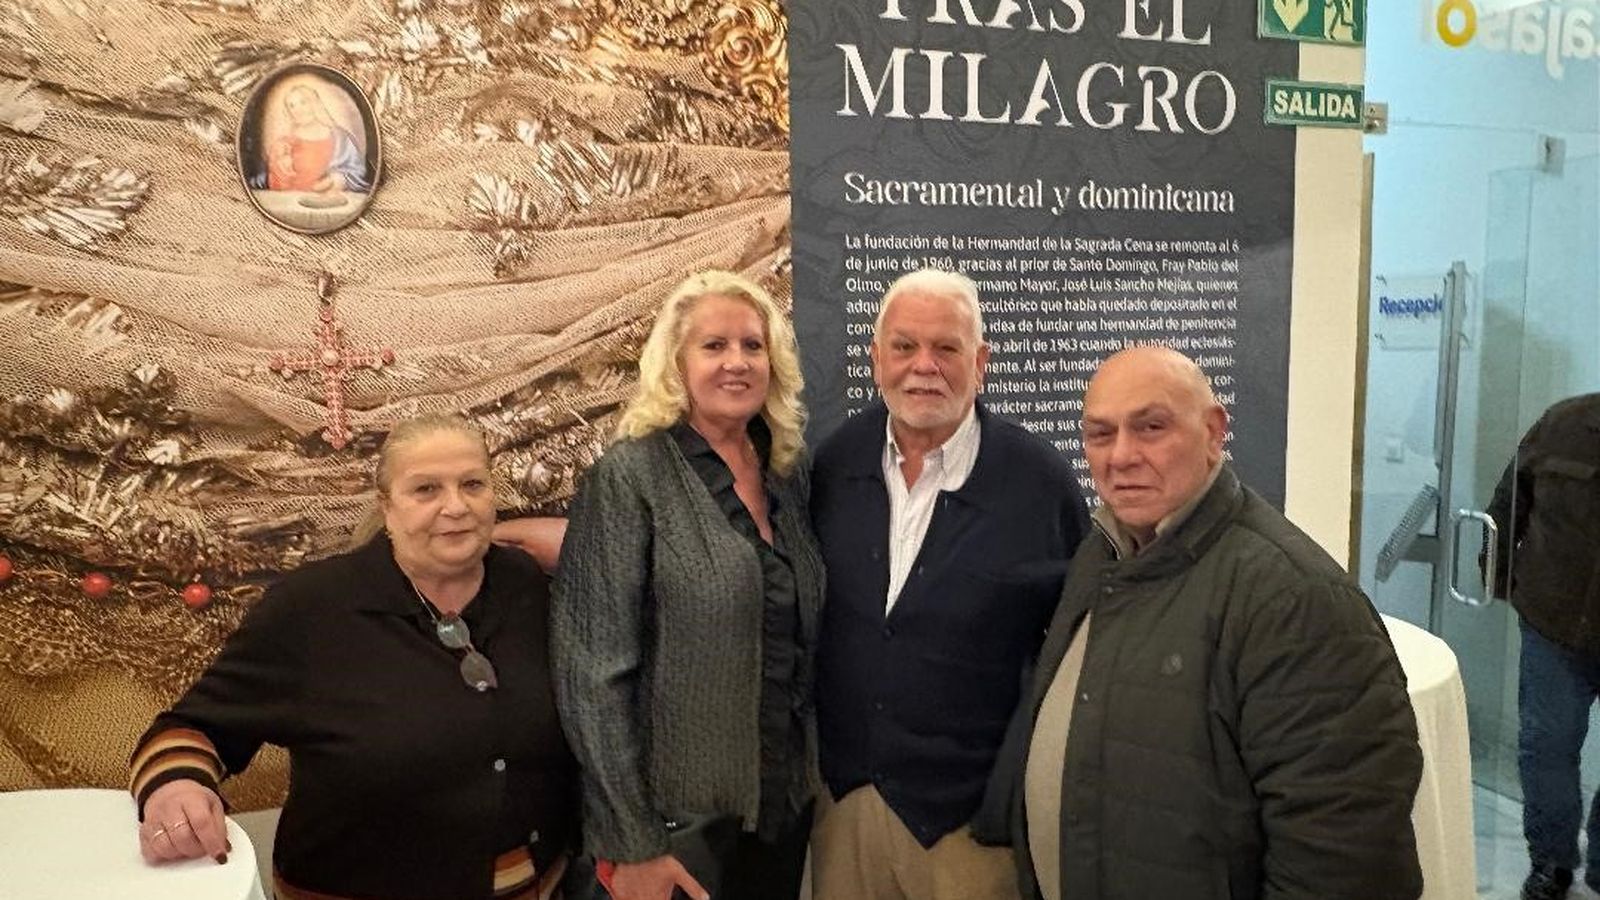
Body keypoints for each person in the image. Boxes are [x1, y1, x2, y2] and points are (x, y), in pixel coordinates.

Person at [974, 345, 1424, 899]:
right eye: (1100, 433)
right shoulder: (1104, 551)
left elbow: (1346, 859)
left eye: (1151, 427)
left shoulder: (1295, 600)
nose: (1121, 456)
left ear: (1213, 431)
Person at [128, 415, 577, 900]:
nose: (456, 506)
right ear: (387, 506)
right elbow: (195, 727)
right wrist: (176, 788)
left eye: (473, 484)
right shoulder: (312, 609)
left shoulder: (529, 586)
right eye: (426, 490)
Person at [809, 268, 1090, 900]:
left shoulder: (1038, 485)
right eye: (905, 346)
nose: (923, 366)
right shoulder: (834, 463)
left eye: (947, 348)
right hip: (847, 806)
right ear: (876, 358)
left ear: (981, 362)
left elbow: (1075, 652)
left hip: (970, 829)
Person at [552, 270, 824, 900]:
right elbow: (591, 675)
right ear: (675, 362)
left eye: (753, 346)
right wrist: (633, 841)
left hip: (777, 813)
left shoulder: (787, 473)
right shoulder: (630, 476)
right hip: (673, 833)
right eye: (714, 346)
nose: (737, 362)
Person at [1483, 392, 1600, 900]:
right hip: (1555, 624)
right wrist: (1500, 577)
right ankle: (1551, 862)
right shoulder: (1564, 423)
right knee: (1547, 747)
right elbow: (1510, 500)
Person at [256, 83, 371, 193]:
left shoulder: (341, 139)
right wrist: (278, 170)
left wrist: (337, 179)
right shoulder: (283, 145)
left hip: (331, 204)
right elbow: (266, 182)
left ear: (314, 103)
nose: (297, 110)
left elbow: (358, 172)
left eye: (303, 102)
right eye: (291, 106)